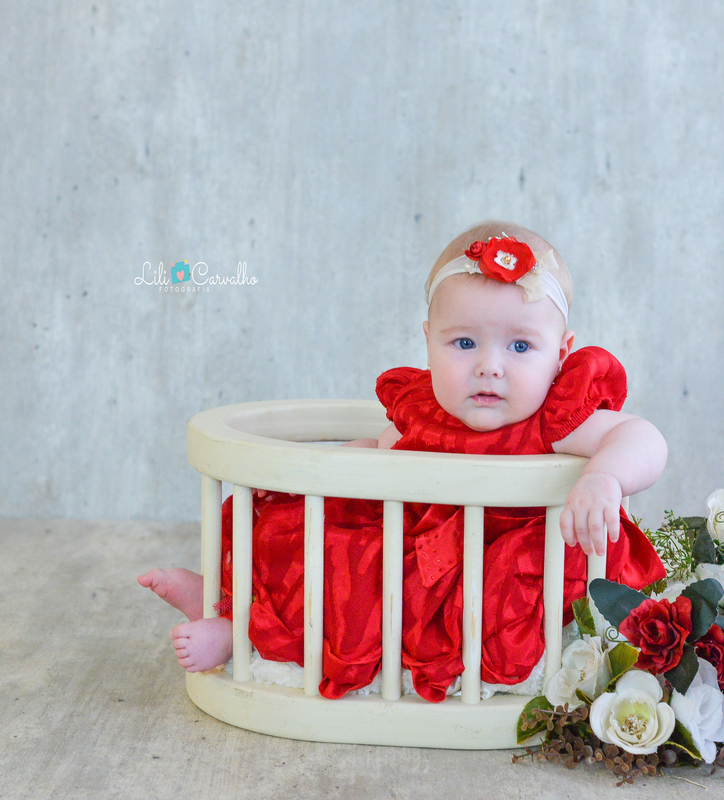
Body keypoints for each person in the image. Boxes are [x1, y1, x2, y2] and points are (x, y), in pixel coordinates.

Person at [139, 220, 668, 701]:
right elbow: (375, 456)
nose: (489, 366)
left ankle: (246, 632)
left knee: (389, 606)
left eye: (520, 347)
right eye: (465, 342)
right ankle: (228, 613)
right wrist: (305, 481)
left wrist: (604, 476)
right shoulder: (420, 411)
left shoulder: (557, 418)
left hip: (497, 568)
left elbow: (642, 437)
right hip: (409, 546)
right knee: (309, 542)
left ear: (561, 353)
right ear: (428, 341)